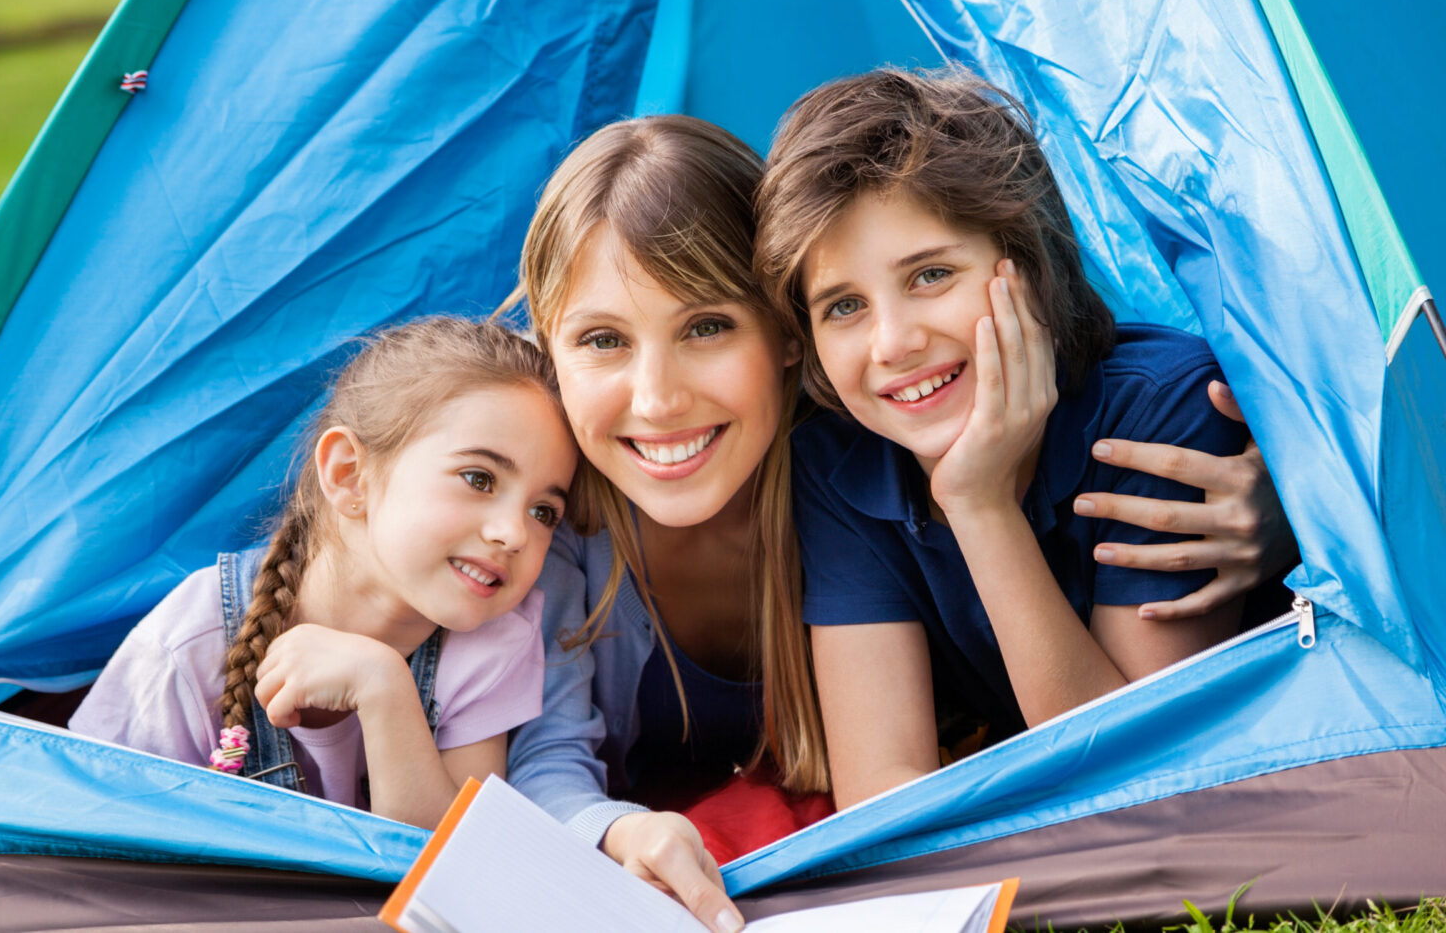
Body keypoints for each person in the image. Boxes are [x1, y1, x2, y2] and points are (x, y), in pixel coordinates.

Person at [503, 111, 1295, 931]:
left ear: (782, 335)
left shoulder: (848, 453)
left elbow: (1130, 775)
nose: (659, 397)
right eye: (601, 340)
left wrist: (1303, 508)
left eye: (707, 325)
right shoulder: (548, 514)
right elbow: (887, 802)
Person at [753, 66, 1280, 809]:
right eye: (843, 306)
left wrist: (980, 505)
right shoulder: (840, 461)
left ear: (1027, 267)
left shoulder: (1163, 408)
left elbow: (1135, 775)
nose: (894, 342)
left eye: (931, 274)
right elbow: (882, 792)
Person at [70, 317, 577, 829]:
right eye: (479, 478)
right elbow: (80, 827)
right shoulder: (191, 645)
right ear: (349, 475)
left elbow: (452, 871)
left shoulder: (492, 644)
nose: (514, 533)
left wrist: (384, 690)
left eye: (544, 512)